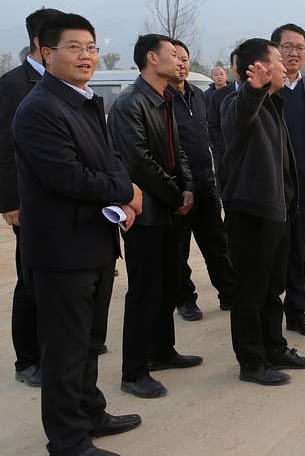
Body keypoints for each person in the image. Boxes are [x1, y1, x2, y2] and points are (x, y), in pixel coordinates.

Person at [13, 12, 143, 456]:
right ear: (47, 53)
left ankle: (90, 413)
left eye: (90, 47)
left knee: (89, 343)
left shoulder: (83, 101)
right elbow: (66, 177)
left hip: (94, 243)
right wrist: (127, 190)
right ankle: (68, 441)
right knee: (65, 352)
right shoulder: (40, 109)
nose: (86, 55)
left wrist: (123, 192)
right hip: (61, 253)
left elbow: (110, 158)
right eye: (74, 47)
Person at [220, 38, 305, 386]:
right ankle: (251, 362)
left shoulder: (273, 105)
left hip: (277, 212)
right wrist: (253, 90)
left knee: (272, 288)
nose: (285, 63)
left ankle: (274, 348)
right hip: (251, 214)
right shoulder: (238, 102)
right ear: (258, 69)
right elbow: (239, 114)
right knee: (250, 292)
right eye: (278, 57)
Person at [109, 34, 202, 399]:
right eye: (172, 54)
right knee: (144, 292)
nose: (179, 60)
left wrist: (188, 186)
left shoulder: (164, 98)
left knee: (168, 285)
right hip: (146, 212)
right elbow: (139, 162)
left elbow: (179, 151)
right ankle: (134, 372)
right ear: (151, 58)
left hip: (170, 208)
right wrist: (175, 195)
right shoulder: (129, 103)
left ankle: (162, 351)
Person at [0, 7, 62, 388]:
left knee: (55, 276)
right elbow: (4, 148)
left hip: (58, 201)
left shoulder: (59, 83)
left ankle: (56, 344)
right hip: (26, 201)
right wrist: (10, 202)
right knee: (29, 279)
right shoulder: (14, 84)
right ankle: (28, 359)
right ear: (41, 44)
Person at [168, 40, 236, 321]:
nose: (181, 64)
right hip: (177, 187)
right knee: (178, 249)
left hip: (206, 183)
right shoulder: (159, 98)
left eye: (185, 59)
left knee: (217, 244)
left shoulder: (198, 95)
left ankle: (229, 293)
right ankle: (185, 299)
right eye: (175, 58)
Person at [270, 24, 305, 337]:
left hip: (301, 186)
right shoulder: (264, 88)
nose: (294, 53)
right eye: (287, 46)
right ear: (275, 50)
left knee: (297, 250)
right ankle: (266, 317)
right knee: (270, 254)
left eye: (300, 47)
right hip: (270, 188)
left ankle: (297, 313)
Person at [207, 51, 238, 188]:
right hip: (222, 147)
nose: (219, 77)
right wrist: (224, 144)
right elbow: (212, 124)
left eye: (221, 74)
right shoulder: (210, 95)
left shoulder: (256, 91)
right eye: (216, 75)